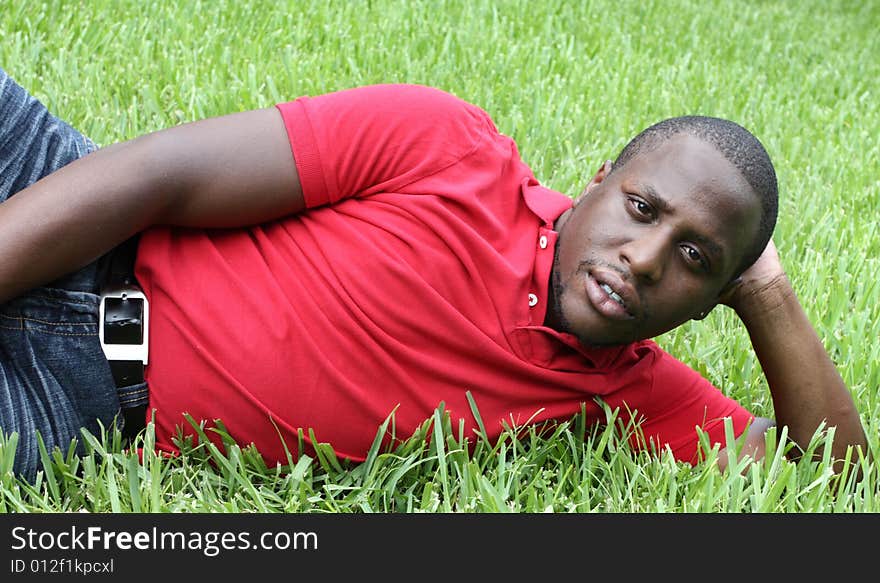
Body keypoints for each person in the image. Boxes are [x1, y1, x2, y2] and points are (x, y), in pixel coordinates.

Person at [0, 66, 866, 482]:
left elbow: (835, 478)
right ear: (599, 182)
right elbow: (159, 174)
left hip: (72, 396)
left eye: (694, 261)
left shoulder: (631, 392)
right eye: (643, 209)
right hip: (72, 199)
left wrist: (767, 291)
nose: (643, 259)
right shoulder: (445, 148)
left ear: (709, 303)